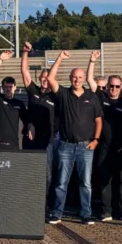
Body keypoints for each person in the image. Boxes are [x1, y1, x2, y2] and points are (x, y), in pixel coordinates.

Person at [46, 51, 103, 225]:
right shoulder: (63, 94)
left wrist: (96, 140)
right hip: (66, 146)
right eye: (74, 77)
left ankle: (85, 214)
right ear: (70, 78)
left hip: (86, 147)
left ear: (84, 78)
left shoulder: (92, 97)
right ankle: (57, 213)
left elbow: (99, 120)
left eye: (79, 77)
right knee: (61, 182)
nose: (76, 80)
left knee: (85, 184)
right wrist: (60, 58)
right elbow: (50, 78)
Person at [90, 65, 122, 222]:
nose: (114, 89)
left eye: (117, 86)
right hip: (104, 147)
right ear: (107, 87)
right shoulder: (102, 99)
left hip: (120, 148)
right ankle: (106, 211)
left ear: (121, 88)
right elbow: (90, 80)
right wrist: (92, 61)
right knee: (104, 181)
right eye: (111, 86)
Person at [21, 42, 58, 216]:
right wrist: (25, 53)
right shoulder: (33, 91)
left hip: (47, 142)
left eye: (47, 78)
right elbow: (25, 72)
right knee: (29, 174)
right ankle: (28, 205)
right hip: (30, 140)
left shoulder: (55, 97)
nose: (44, 80)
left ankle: (46, 207)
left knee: (47, 176)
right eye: (43, 77)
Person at [0, 39, 30, 150]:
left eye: (10, 87)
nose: (8, 89)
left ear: (15, 87)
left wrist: (31, 126)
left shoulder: (19, 104)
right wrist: (0, 60)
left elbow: (26, 120)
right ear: (2, 88)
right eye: (6, 87)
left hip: (14, 144)